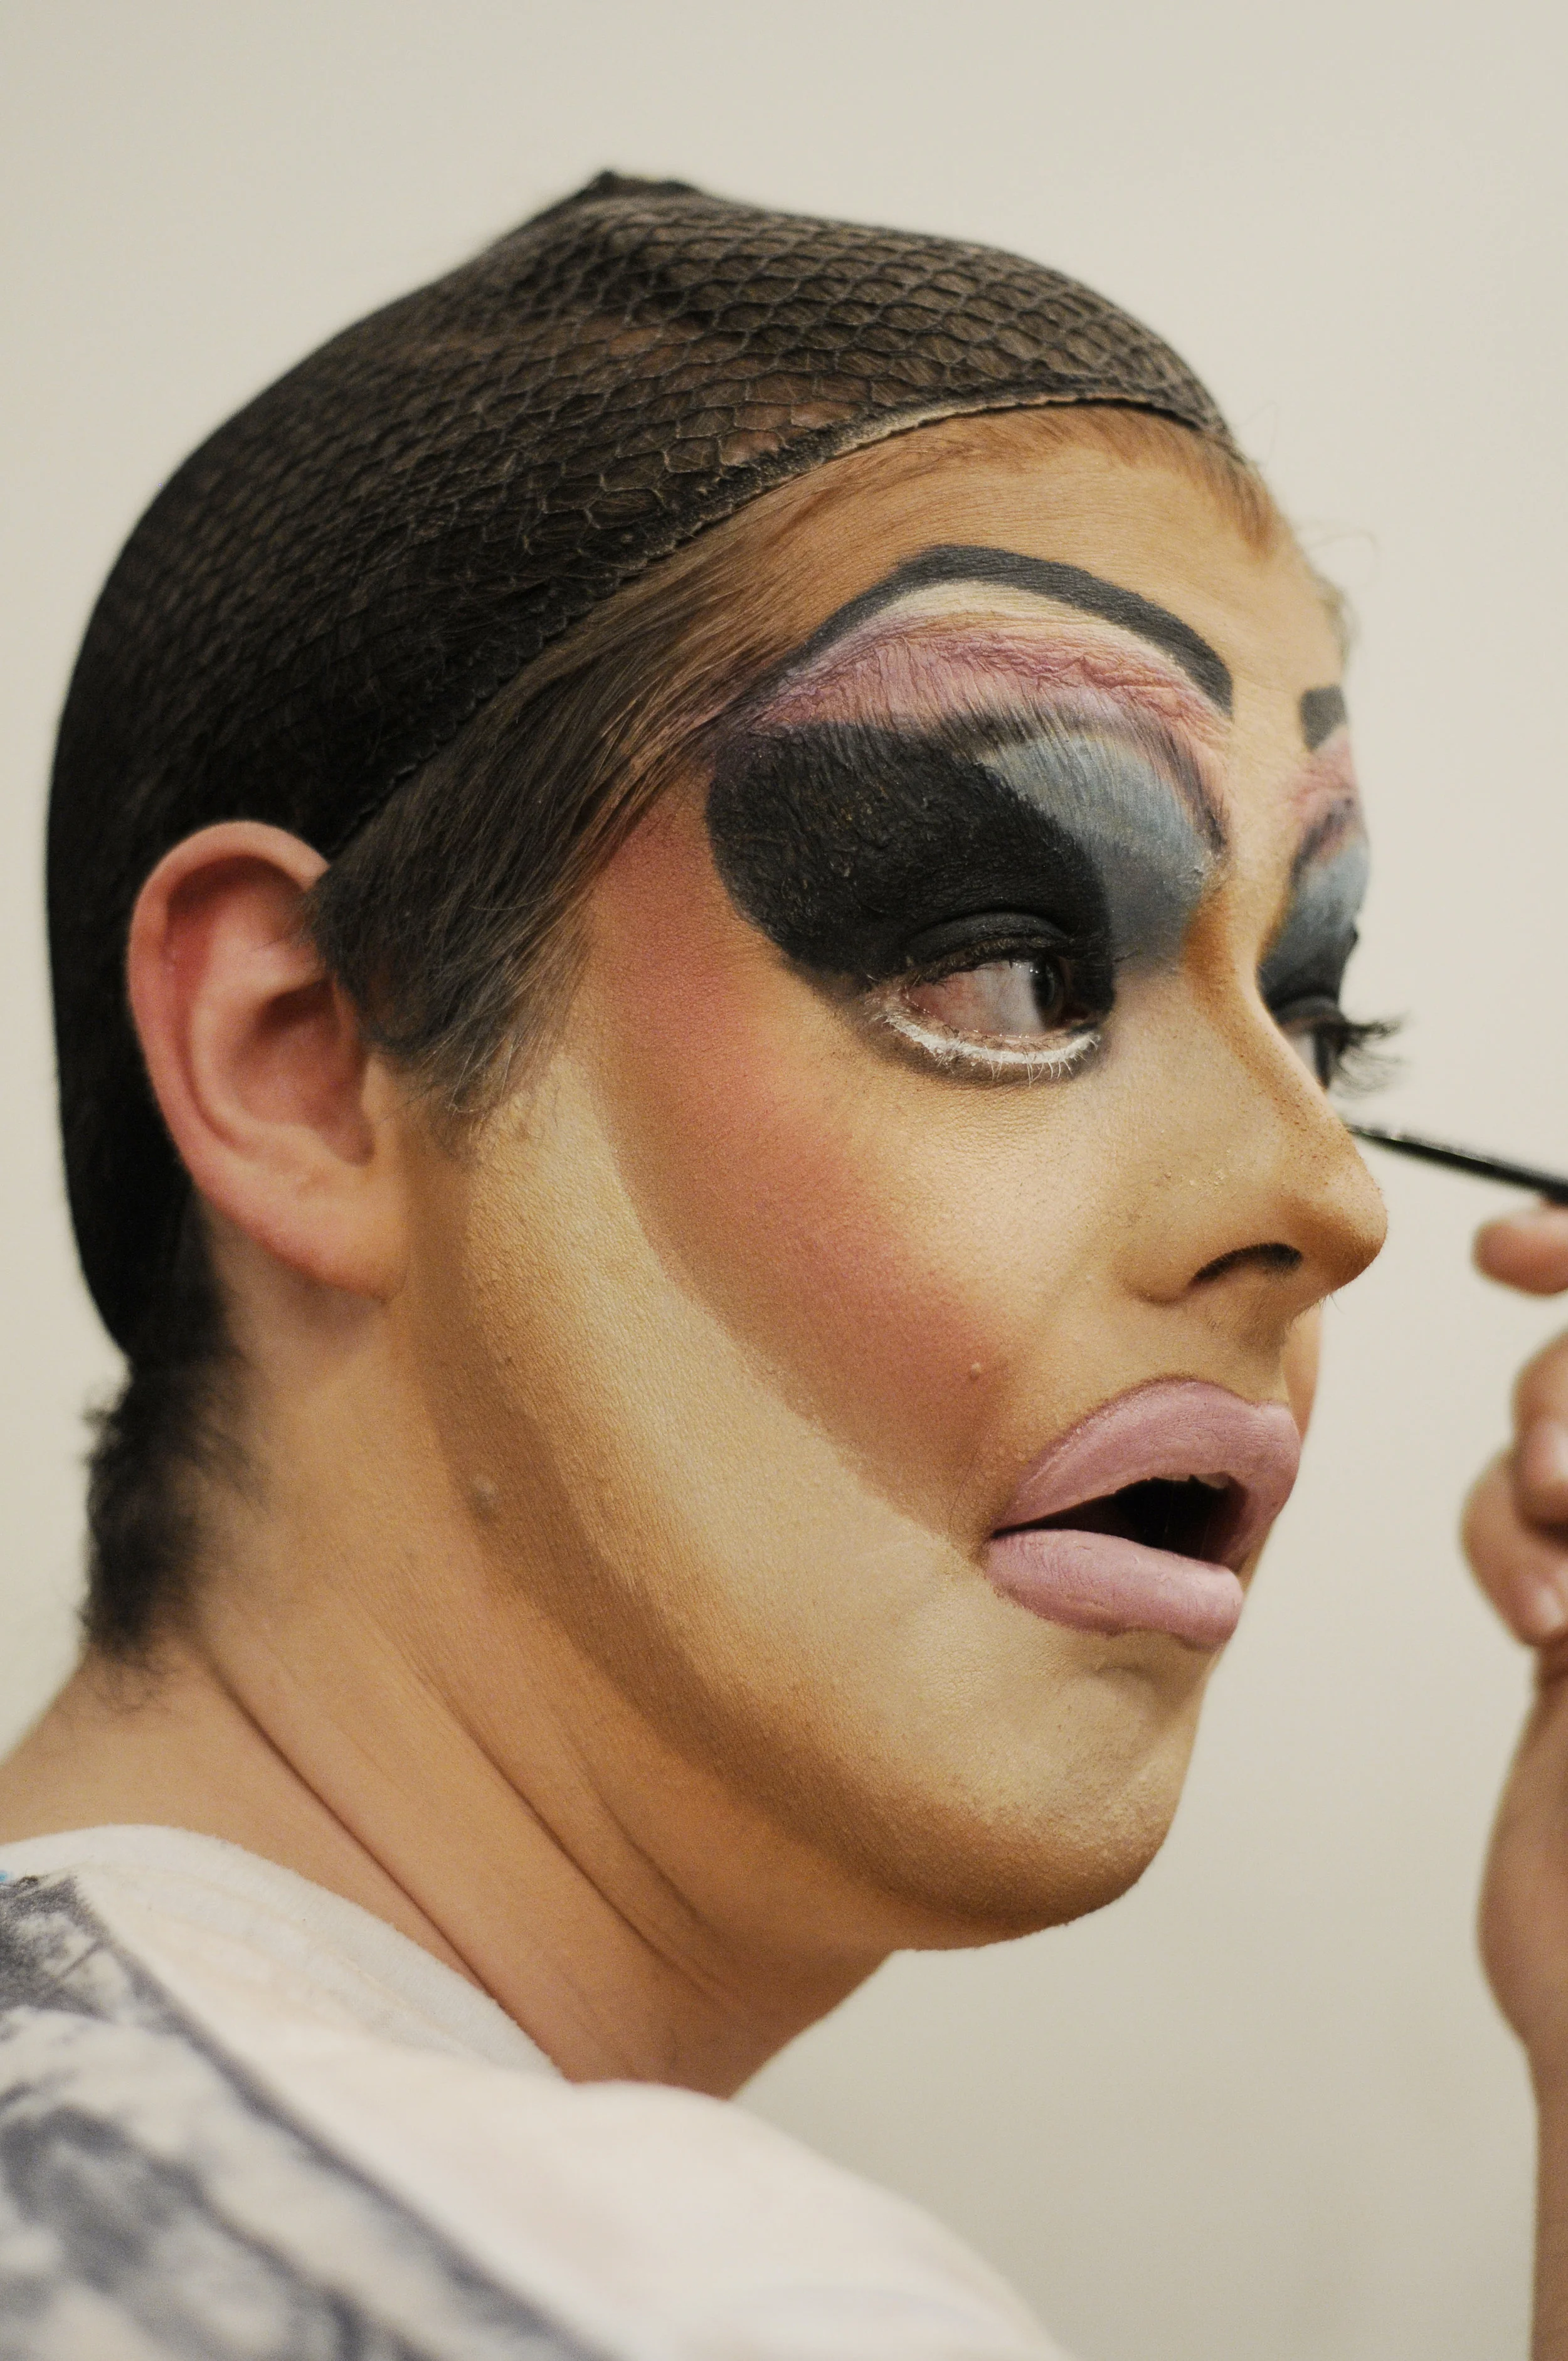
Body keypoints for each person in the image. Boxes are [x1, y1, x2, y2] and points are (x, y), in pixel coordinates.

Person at [0, 170, 1531, 2356]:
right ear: (307, 1057)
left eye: (1314, 1010)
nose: (1325, 1194)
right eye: (1007, 960)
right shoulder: (682, 2300)